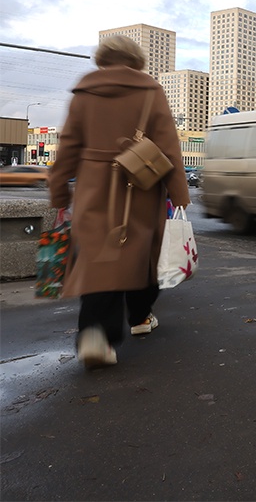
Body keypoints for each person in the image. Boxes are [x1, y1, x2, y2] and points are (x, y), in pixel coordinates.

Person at [49, 36, 190, 369]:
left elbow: (67, 147)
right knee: (142, 256)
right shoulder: (150, 91)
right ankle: (140, 316)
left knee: (99, 259)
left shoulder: (84, 92)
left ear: (102, 59)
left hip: (93, 189)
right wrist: (179, 196)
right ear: (136, 60)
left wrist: (58, 191)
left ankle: (95, 334)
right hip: (140, 188)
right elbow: (169, 149)